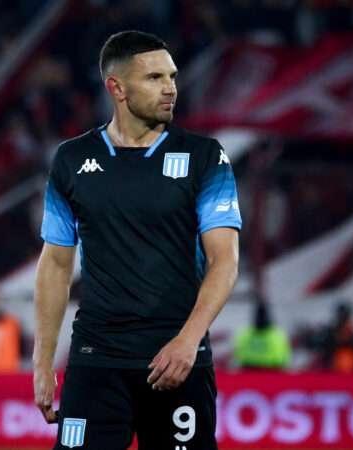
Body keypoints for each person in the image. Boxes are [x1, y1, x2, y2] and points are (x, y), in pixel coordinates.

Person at [33, 31, 241, 450]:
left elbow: (225, 261)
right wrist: (43, 359)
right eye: (155, 78)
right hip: (97, 360)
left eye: (172, 76)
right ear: (117, 88)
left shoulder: (205, 157)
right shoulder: (72, 159)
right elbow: (55, 263)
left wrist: (188, 340)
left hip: (177, 362)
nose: (170, 88)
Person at [234, 301, 291, 369]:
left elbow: (238, 355)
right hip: (271, 371)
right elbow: (285, 358)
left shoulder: (245, 334)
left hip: (252, 370)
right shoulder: (278, 335)